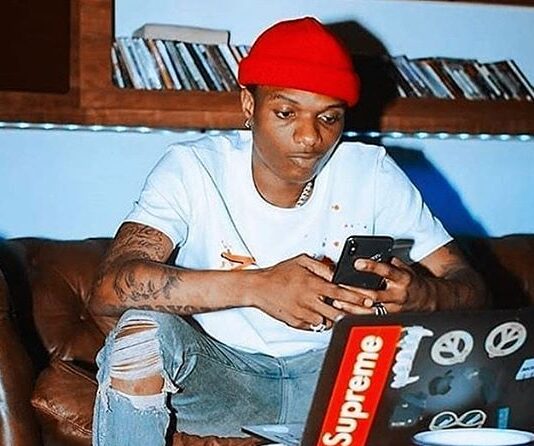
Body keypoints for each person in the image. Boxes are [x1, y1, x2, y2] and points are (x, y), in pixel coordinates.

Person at [89, 16, 487, 446]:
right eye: (286, 113)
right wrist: (259, 287)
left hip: (339, 380)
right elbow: (110, 289)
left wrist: (424, 295)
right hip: (223, 379)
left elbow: (470, 286)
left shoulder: (372, 173)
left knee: (426, 346)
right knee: (141, 335)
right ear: (248, 105)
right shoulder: (193, 168)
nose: (309, 137)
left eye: (329, 118)